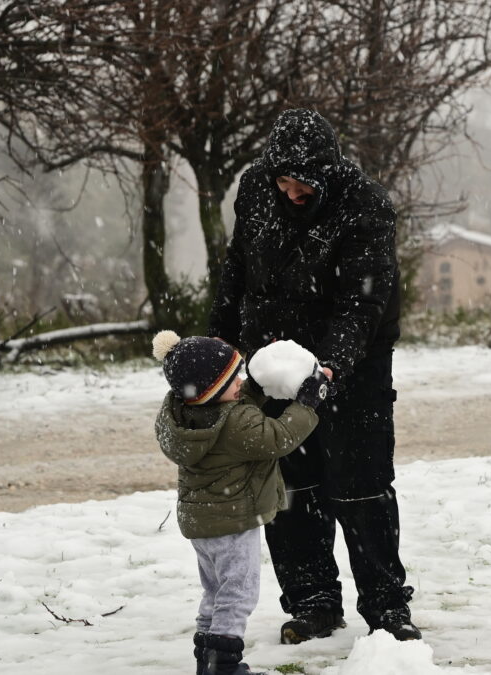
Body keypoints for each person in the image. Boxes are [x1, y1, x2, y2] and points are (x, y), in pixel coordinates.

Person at [208, 108, 419, 643]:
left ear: (326, 171)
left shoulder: (365, 205)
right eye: (282, 181)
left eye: (301, 184)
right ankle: (313, 601)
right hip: (272, 360)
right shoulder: (256, 188)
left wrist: (330, 367)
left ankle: (387, 608)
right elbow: (237, 271)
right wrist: (219, 349)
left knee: (360, 483)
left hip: (355, 363)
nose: (290, 192)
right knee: (289, 485)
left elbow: (361, 304)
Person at [152, 330, 328, 675]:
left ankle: (207, 656)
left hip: (202, 524)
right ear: (214, 389)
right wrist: (308, 401)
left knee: (216, 591)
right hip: (233, 521)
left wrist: (254, 388)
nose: (241, 382)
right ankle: (225, 665)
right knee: (239, 593)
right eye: (235, 378)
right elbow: (279, 436)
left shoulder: (184, 413)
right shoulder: (235, 423)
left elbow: (230, 401)